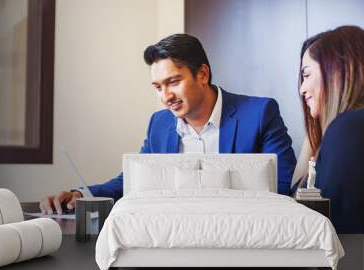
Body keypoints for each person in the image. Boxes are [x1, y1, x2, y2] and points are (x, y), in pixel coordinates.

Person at [40, 34, 296, 214]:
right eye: (158, 87)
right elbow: (133, 179)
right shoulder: (159, 124)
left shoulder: (260, 113)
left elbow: (281, 186)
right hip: (173, 237)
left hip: (242, 234)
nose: (166, 97)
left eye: (173, 82)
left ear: (203, 74)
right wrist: (82, 195)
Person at [293, 25, 364, 233]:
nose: (302, 89)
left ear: (335, 70)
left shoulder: (347, 129)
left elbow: (327, 224)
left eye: (306, 75)